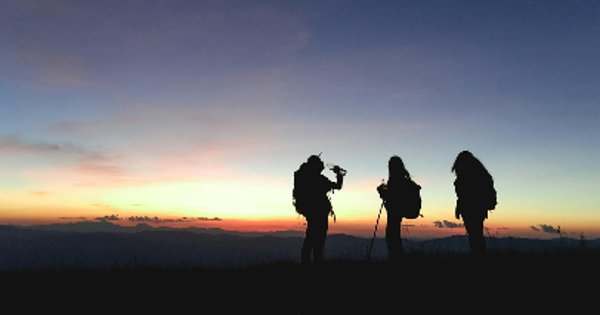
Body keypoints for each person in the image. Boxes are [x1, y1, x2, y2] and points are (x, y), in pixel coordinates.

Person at [293, 155, 344, 265]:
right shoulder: (318, 179)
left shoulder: (305, 177)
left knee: (310, 237)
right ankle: (316, 264)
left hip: (311, 212)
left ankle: (307, 264)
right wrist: (339, 174)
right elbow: (338, 186)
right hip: (319, 212)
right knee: (318, 240)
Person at [452, 151, 497, 255]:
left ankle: (478, 256)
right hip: (478, 208)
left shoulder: (466, 173)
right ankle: (479, 255)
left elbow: (464, 194)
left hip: (470, 208)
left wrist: (459, 207)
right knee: (476, 233)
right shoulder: (480, 172)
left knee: (474, 234)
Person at [377, 156, 420, 261]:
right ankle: (397, 258)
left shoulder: (395, 180)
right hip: (402, 210)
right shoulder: (403, 180)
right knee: (393, 235)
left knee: (392, 236)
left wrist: (382, 192)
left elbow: (392, 198)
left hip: (396, 211)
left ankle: (396, 259)